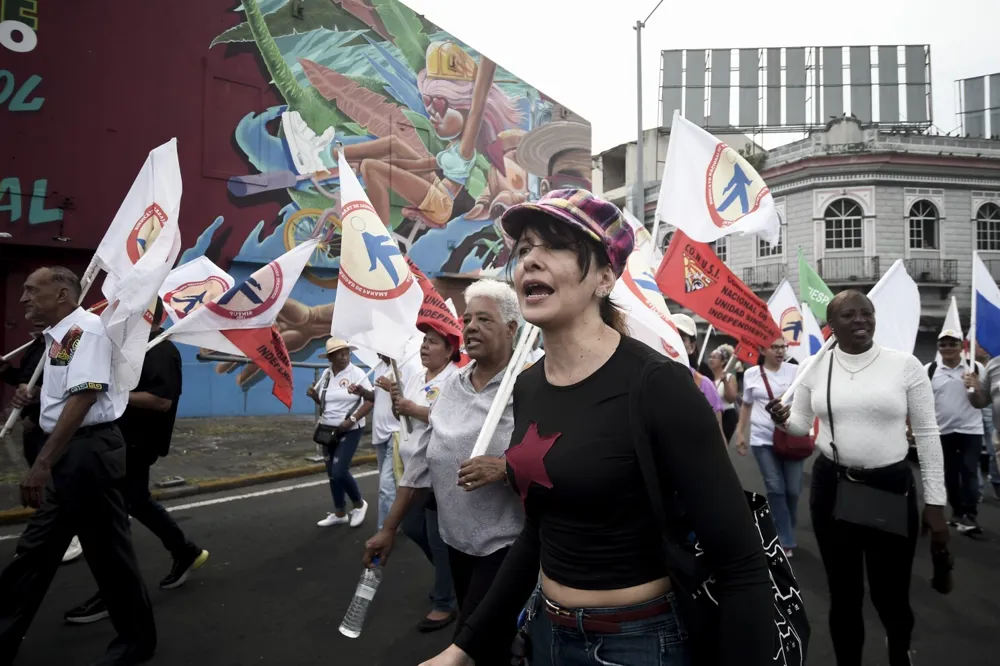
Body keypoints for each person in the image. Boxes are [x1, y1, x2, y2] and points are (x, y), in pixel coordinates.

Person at [419, 189, 775, 666]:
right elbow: (537, 533)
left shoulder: (658, 385)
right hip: (547, 637)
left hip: (643, 643)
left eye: (556, 246)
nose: (531, 261)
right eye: (523, 249)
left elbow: (741, 563)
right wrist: (465, 647)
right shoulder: (526, 387)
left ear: (605, 276)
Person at [767, 289, 949, 666]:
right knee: (844, 592)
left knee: (891, 592)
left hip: (889, 487)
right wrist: (784, 420)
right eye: (849, 315)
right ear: (831, 326)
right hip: (833, 488)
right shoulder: (815, 367)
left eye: (866, 313)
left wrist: (935, 501)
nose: (860, 320)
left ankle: (899, 652)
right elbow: (802, 425)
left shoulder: (905, 365)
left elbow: (928, 434)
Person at [364, 279, 525, 666]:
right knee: (495, 641)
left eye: (484, 319)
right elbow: (421, 459)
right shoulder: (449, 386)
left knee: (470, 638)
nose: (470, 327)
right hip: (455, 540)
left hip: (506, 544)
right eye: (468, 319)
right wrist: (389, 528)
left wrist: (507, 468)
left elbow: (562, 457)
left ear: (511, 330)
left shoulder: (530, 385)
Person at [0, 266, 156, 665]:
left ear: (63, 295)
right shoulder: (62, 337)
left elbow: (85, 398)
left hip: (86, 454)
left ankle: (136, 643)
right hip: (75, 452)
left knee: (106, 556)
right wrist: (34, 400)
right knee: (38, 550)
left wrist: (42, 464)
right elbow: (67, 393)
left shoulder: (83, 331)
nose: (23, 300)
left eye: (33, 291)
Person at [63, 298, 210, 625]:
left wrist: (112, 393)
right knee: (136, 502)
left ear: (146, 317)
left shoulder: (161, 351)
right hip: (121, 440)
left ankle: (115, 593)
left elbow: (160, 400)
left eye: (130, 314)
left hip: (137, 443)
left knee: (111, 514)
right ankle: (184, 551)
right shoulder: (136, 348)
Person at [392, 323, 462, 632]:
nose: (424, 347)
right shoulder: (416, 377)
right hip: (414, 468)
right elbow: (403, 414)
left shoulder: (456, 380)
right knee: (411, 527)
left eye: (433, 343)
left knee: (436, 538)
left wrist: (412, 408)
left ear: (449, 351)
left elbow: (448, 418)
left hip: (439, 471)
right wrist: (400, 404)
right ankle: (453, 579)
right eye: (424, 342)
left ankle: (444, 602)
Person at [1, 324, 83, 564]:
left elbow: (69, 389)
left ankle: (66, 538)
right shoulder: (39, 344)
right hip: (34, 427)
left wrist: (33, 412)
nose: (26, 299)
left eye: (35, 291)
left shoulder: (68, 339)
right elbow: (28, 380)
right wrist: (6, 371)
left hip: (49, 428)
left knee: (52, 485)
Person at [736, 337, 803, 556]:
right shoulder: (751, 374)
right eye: (775, 347)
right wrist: (740, 433)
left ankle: (785, 526)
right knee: (775, 488)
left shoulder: (795, 371)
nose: (780, 351)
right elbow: (746, 405)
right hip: (762, 439)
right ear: (762, 349)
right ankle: (784, 538)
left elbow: (806, 401)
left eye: (783, 346)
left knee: (792, 491)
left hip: (791, 438)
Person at [926, 329, 988, 534]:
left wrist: (976, 388)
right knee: (950, 475)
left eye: (952, 344)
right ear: (938, 347)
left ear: (961, 346)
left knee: (969, 471)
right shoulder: (930, 370)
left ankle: (970, 515)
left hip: (971, 430)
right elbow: (923, 403)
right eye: (943, 344)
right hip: (942, 431)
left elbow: (980, 404)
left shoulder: (976, 368)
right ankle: (957, 512)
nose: (948, 348)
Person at [306, 338, 373, 527]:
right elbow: (325, 402)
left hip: (350, 428)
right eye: (340, 354)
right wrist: (315, 397)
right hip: (328, 429)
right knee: (331, 474)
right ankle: (340, 512)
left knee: (339, 470)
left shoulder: (356, 373)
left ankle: (359, 503)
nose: (345, 357)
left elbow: (370, 399)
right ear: (330, 357)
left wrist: (351, 420)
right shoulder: (326, 375)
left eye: (346, 352)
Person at [348, 353, 417, 530]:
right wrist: (363, 392)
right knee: (393, 483)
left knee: (386, 486)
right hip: (380, 433)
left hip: (396, 433)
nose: (378, 351)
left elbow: (411, 399)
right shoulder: (379, 366)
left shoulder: (407, 365)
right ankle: (403, 520)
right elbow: (376, 397)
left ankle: (385, 530)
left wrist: (392, 387)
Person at [673, 313, 726, 439]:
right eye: (670, 335)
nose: (673, 341)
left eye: (681, 338)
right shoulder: (649, 379)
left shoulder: (704, 384)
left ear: (691, 347)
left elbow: (718, 434)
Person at [709, 343, 741, 444]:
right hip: (711, 416)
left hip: (726, 416)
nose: (711, 360)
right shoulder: (707, 379)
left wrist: (725, 382)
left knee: (720, 445)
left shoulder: (729, 377)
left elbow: (731, 398)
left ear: (723, 361)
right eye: (710, 357)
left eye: (715, 357)